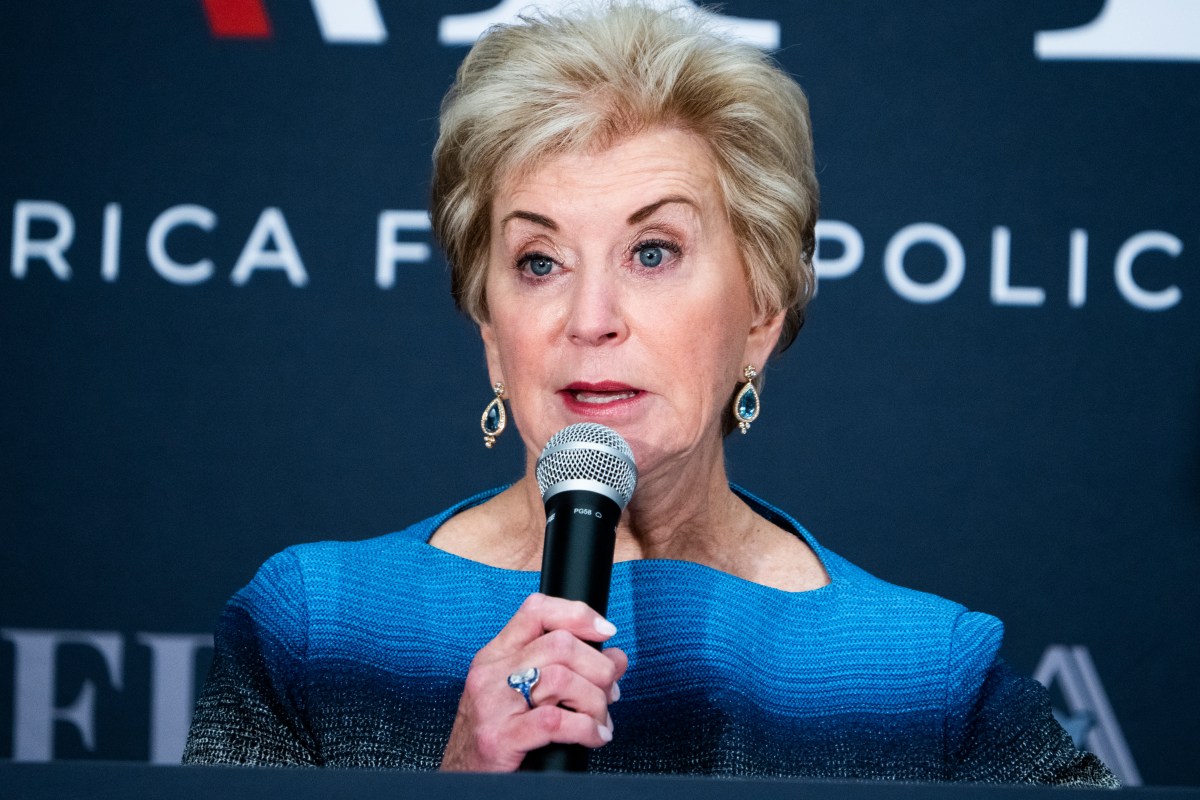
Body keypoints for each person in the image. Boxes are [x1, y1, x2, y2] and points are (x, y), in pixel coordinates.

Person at [183, 3, 1117, 784]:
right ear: (489, 333)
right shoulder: (316, 632)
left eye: (653, 252)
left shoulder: (920, 679)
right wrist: (456, 787)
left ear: (761, 308)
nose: (591, 317)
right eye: (539, 261)